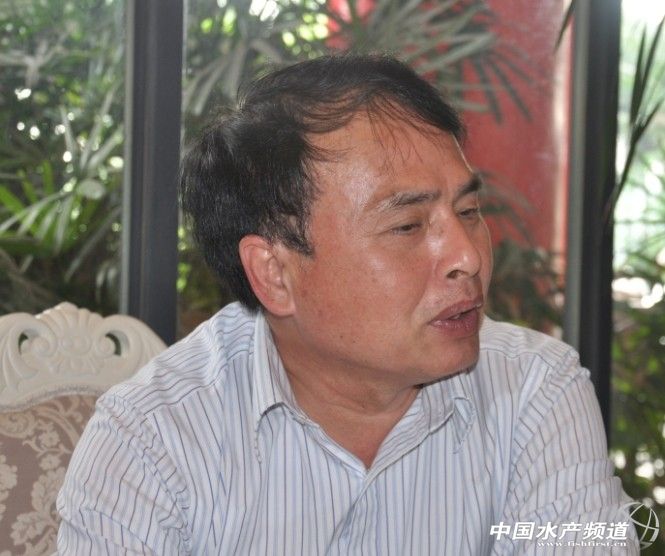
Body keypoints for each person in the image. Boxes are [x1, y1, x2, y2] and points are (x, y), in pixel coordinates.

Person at [57, 54, 638, 554]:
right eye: (407, 226)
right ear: (274, 273)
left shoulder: (535, 391)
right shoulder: (152, 439)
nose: (467, 256)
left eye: (467, 212)